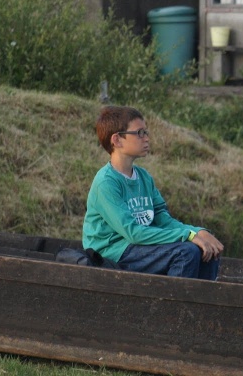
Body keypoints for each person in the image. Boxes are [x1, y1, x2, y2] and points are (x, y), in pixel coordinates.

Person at [82, 105, 223, 279]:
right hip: (113, 252)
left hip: (138, 247)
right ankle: (173, 305)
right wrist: (187, 235)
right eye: (140, 133)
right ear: (117, 140)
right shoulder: (106, 183)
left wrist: (197, 232)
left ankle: (204, 305)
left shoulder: (144, 177)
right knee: (185, 252)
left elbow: (162, 219)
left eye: (146, 132)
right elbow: (133, 233)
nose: (147, 138)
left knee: (207, 249)